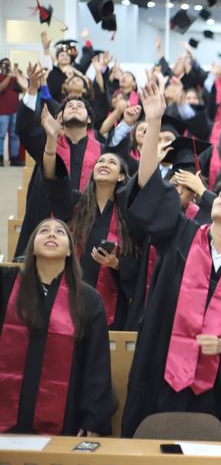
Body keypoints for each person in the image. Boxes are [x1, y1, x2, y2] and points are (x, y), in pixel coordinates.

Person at [120, 82, 221, 440]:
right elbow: (149, 191)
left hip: (210, 387)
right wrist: (153, 122)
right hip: (160, 367)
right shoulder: (181, 234)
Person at [0, 218, 115, 436]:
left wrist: (93, 419)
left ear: (71, 251)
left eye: (59, 232)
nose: (51, 234)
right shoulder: (6, 285)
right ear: (32, 246)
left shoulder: (88, 299)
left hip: (63, 419)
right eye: (44, 230)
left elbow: (96, 364)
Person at [40, 106, 137, 330]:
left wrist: (116, 263)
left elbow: (138, 260)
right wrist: (52, 140)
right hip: (70, 294)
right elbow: (53, 180)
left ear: (122, 176)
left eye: (112, 163)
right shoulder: (75, 204)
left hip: (112, 304)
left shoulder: (128, 213)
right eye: (100, 162)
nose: (104, 164)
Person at [15, 64, 105, 258]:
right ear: (59, 118)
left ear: (89, 120)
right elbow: (23, 129)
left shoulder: (102, 153)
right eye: (68, 106)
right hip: (47, 223)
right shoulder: (46, 143)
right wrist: (32, 89)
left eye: (80, 106)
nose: (74, 106)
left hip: (89, 229)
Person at [0, 57, 23, 166]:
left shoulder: (14, 78)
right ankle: (0, 157)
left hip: (15, 110)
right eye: (4, 64)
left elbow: (23, 87)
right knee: (1, 135)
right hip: (2, 111)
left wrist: (17, 74)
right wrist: (9, 76)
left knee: (15, 135)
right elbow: (1, 88)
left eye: (8, 64)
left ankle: (14, 158)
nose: (7, 66)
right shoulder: (1, 76)